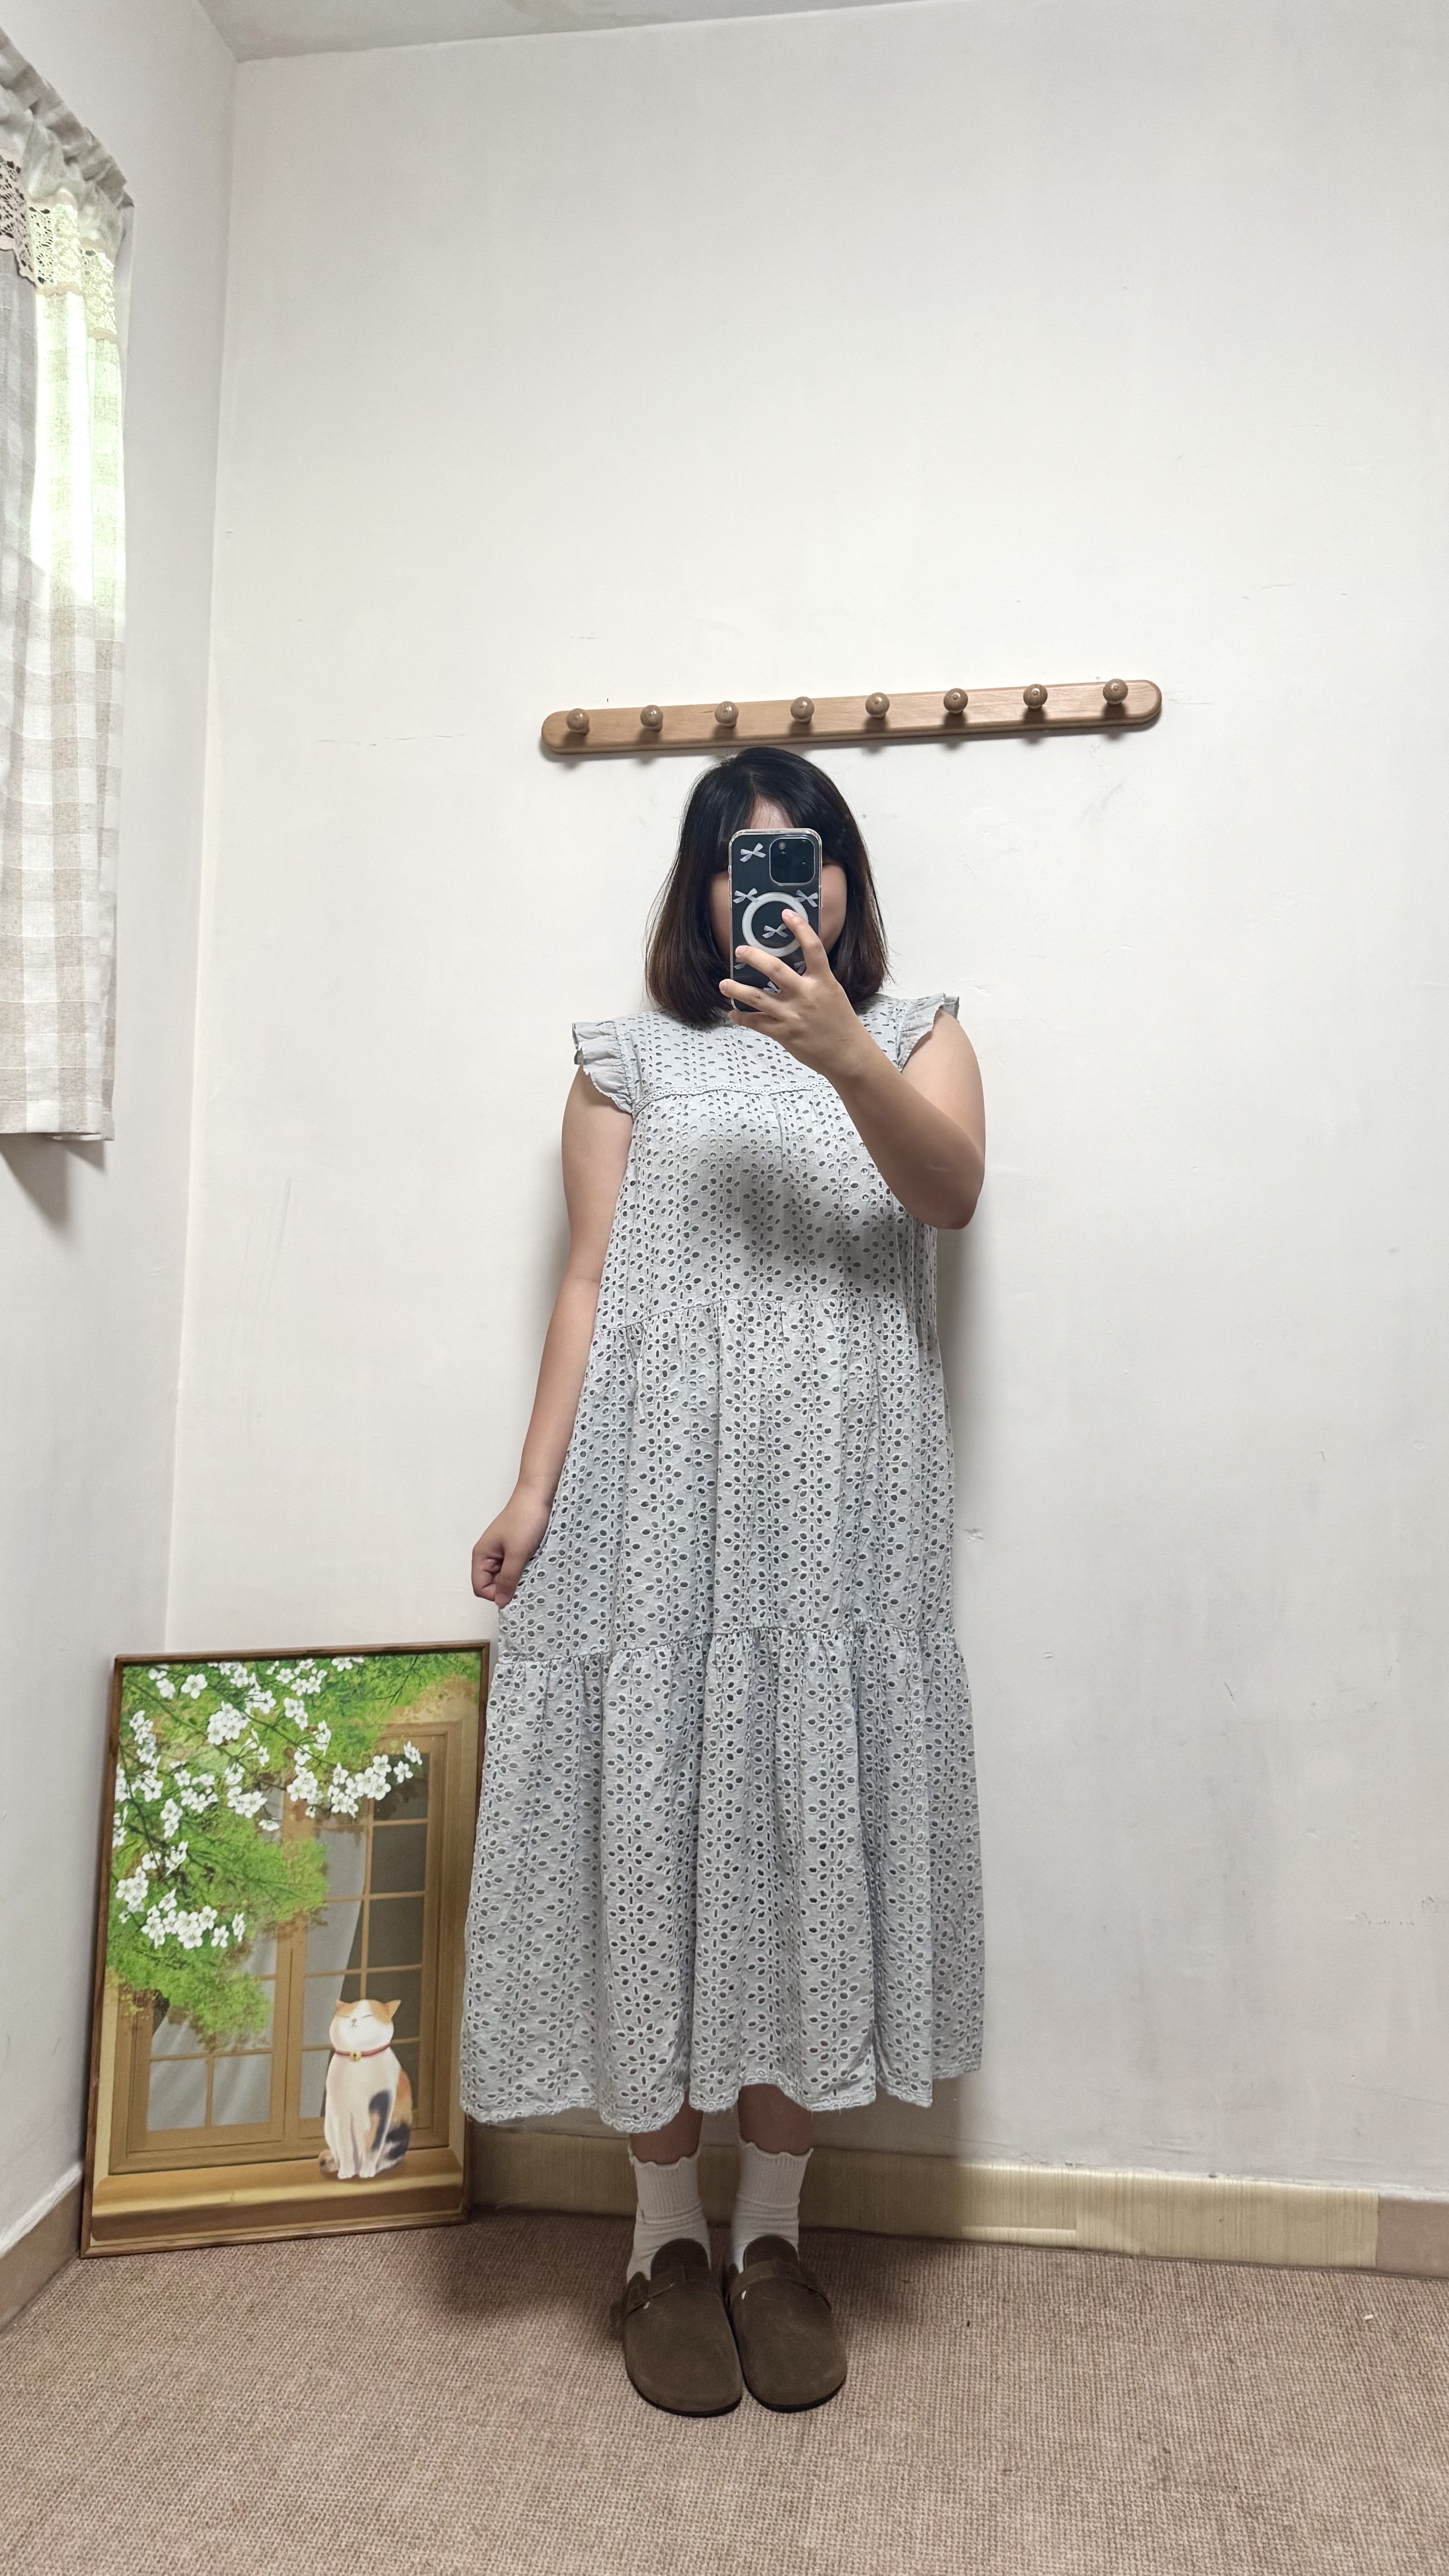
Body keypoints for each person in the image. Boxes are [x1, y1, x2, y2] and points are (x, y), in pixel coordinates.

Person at [461, 747, 985, 2416]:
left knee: (803, 1838)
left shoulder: (917, 1035)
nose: (782, 881)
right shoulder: (624, 1062)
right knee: (649, 1832)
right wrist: (532, 1489)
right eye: (744, 857)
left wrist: (840, 1048)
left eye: (808, 853)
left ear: (845, 881)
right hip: (647, 1505)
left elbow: (950, 1195)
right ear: (701, 891)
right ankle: (660, 2242)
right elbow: (587, 1281)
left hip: (839, 1515)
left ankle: (773, 2235)